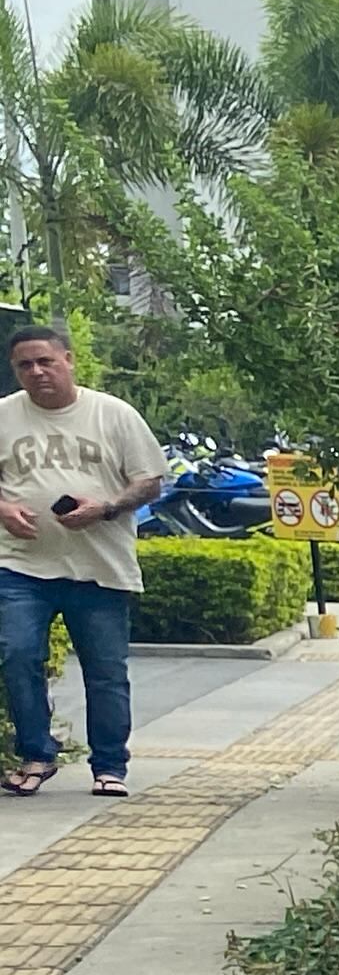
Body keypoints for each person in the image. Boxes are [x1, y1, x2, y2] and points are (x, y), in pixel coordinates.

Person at [0, 321, 164, 798]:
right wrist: (3, 509)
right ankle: (36, 754)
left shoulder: (113, 414)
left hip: (98, 568)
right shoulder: (5, 415)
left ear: (68, 361)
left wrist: (106, 508)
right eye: (24, 365)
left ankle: (109, 766)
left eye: (45, 361)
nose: (36, 372)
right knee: (16, 655)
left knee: (105, 672)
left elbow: (150, 481)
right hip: (21, 565)